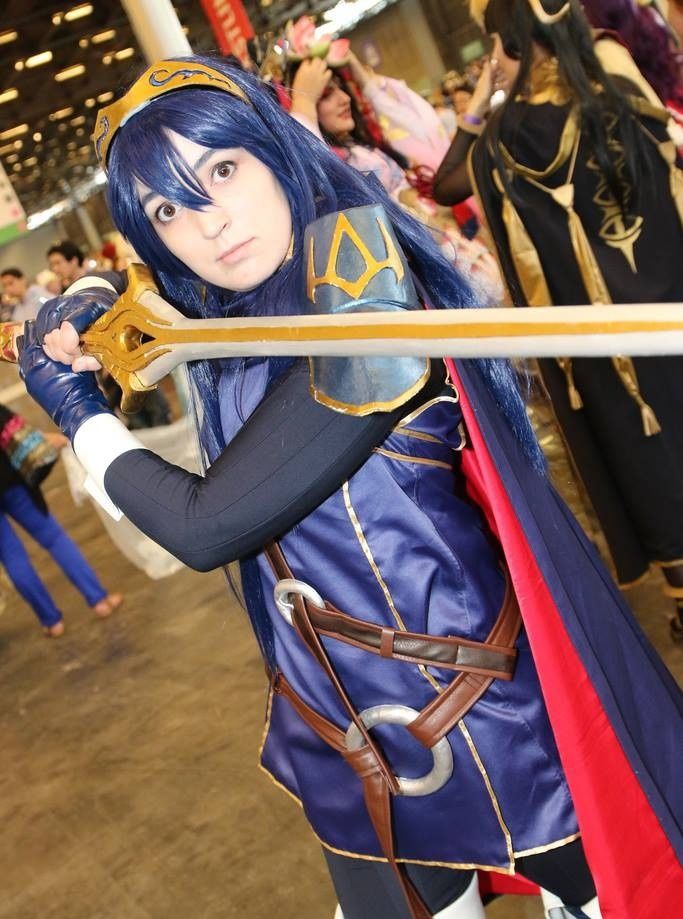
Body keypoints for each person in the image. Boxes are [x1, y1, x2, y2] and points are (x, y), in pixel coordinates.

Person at [17, 57, 681, 919]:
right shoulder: (231, 306)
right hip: (345, 739)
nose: (210, 223)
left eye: (224, 170)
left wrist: (79, 413)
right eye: (168, 210)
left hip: (489, 729)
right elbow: (145, 282)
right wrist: (92, 290)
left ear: (275, 151)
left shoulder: (363, 294)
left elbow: (205, 525)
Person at [433, 0, 683, 640]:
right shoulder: (618, 94)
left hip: (595, 347)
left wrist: (482, 98)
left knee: (646, 462)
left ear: (511, 44)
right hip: (667, 311)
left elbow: (446, 185)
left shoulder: (504, 140)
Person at [284, 19, 501, 298]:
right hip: (421, 274)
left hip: (452, 248)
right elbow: (307, 167)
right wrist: (303, 101)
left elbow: (418, 123)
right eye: (326, 94)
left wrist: (361, 76)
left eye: (343, 88)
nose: (344, 99)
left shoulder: (366, 145)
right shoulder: (327, 167)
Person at [0, 403, 122, 637]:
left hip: (11, 485)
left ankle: (52, 622)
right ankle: (100, 600)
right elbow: (15, 433)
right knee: (54, 538)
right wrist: (50, 439)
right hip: (12, 483)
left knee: (11, 557)